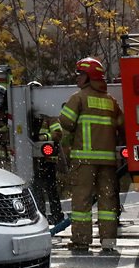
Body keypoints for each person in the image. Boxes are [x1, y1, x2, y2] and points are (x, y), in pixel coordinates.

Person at [49, 56, 124, 255]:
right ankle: (108, 241)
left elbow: (66, 122)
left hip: (85, 161)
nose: (77, 78)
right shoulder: (111, 101)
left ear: (89, 76)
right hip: (107, 162)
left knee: (82, 201)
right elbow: (121, 125)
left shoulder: (79, 97)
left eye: (80, 74)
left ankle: (82, 241)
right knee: (108, 201)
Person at [33, 113, 68, 232]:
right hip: (34, 161)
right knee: (36, 189)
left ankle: (57, 216)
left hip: (47, 161)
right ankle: (41, 216)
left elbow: (58, 134)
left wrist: (43, 137)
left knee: (51, 188)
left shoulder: (50, 117)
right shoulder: (29, 117)